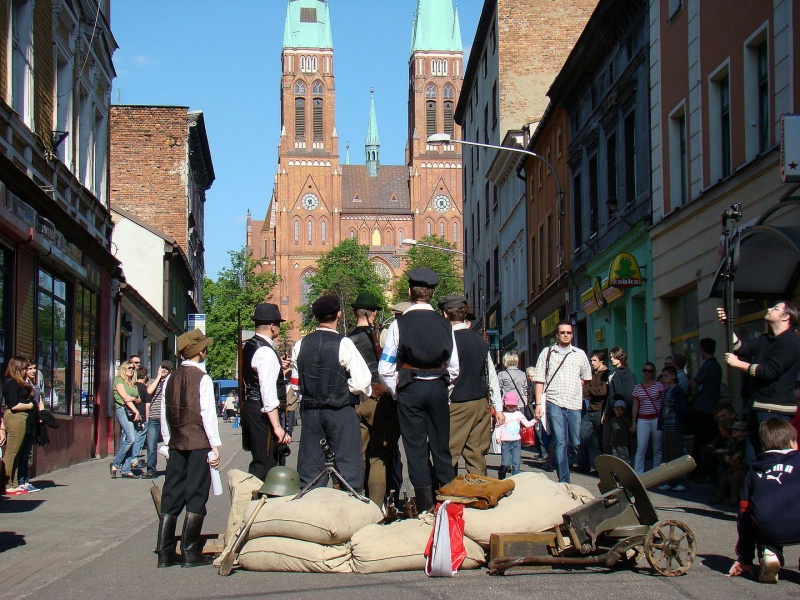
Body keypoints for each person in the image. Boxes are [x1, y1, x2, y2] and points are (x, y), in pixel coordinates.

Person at [379, 267, 460, 512]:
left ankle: (425, 506)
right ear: (432, 294)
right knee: (441, 445)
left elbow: (385, 367)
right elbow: (454, 367)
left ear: (409, 292)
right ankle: (448, 503)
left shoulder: (399, 324)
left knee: (415, 447)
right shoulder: (445, 324)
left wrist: (399, 391)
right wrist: (443, 386)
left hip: (410, 388)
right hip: (437, 387)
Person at [291, 294, 372, 491]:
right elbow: (362, 381)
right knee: (348, 465)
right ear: (338, 314)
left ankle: (312, 508)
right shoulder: (344, 344)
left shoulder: (300, 344)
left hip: (310, 412)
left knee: (311, 467)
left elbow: (295, 385)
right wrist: (345, 390)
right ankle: (349, 506)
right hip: (340, 411)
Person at [155, 329, 221, 568]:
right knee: (196, 493)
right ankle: (190, 552)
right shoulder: (203, 379)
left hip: (176, 442)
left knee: (171, 492)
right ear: (200, 352)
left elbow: (163, 415)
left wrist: (167, 441)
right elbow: (207, 415)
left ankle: (164, 553)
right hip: (198, 443)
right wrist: (215, 446)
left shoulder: (169, 379)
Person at [718, 302, 800, 454]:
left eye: (775, 308)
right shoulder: (767, 339)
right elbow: (740, 347)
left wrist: (738, 364)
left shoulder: (790, 342)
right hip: (758, 406)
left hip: (775, 409)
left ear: (786, 316)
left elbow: (769, 371)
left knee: (772, 453)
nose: (769, 309)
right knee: (754, 455)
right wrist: (727, 324)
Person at [727, 418, 800, 584]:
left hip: (769, 528)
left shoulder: (754, 470)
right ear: (791, 442)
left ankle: (770, 553)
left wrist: (744, 557)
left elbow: (744, 514)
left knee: (758, 515)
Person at [348, 291, 400, 505]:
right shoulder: (383, 338)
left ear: (354, 313)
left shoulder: (347, 340)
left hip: (359, 401)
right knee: (378, 457)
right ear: (375, 313)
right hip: (381, 401)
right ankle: (377, 507)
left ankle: (356, 503)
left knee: (358, 455)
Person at [440, 294, 501, 477]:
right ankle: (479, 496)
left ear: (445, 314)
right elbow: (491, 375)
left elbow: (448, 375)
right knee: (477, 456)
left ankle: (447, 499)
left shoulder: (447, 341)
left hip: (457, 403)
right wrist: (497, 407)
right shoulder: (480, 342)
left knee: (447, 454)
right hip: (480, 403)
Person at [532, 320, 592, 483]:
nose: (566, 335)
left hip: (574, 403)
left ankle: (568, 465)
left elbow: (586, 377)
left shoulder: (579, 354)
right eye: (563, 332)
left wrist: (575, 385)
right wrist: (538, 405)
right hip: (554, 401)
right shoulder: (547, 352)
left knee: (575, 441)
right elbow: (539, 379)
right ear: (557, 335)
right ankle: (564, 478)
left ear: (572, 334)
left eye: (569, 333)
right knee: (560, 440)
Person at [241, 303, 292, 481]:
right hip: (262, 411)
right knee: (266, 465)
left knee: (263, 460)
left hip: (252, 407)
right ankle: (258, 503)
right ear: (272, 326)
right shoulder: (265, 351)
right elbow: (268, 393)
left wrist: (278, 366)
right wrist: (277, 428)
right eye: (278, 324)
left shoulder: (250, 346)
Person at [3, 357, 36, 495]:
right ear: (17, 368)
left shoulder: (19, 383)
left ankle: (15, 482)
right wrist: (30, 405)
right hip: (15, 417)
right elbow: (13, 405)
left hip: (22, 417)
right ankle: (6, 483)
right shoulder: (12, 382)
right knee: (12, 452)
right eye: (24, 368)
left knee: (19, 452)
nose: (26, 371)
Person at [690, 338, 722, 478]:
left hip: (703, 408)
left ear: (703, 350)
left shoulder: (708, 366)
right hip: (712, 407)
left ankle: (700, 471)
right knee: (708, 440)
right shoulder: (717, 366)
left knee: (700, 441)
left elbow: (694, 384)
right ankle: (708, 470)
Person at [657, 365, 689, 491]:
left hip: (675, 427)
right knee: (668, 455)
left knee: (677, 453)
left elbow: (683, 410)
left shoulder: (677, 391)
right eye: (663, 376)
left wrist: (680, 423)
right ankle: (670, 481)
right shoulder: (667, 392)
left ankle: (682, 481)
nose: (664, 378)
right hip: (667, 427)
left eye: (666, 376)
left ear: (674, 377)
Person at [632, 361, 666, 474]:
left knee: (657, 448)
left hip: (657, 419)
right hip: (643, 419)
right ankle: (639, 474)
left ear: (653, 372)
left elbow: (663, 402)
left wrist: (664, 418)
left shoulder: (659, 385)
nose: (647, 373)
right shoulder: (637, 388)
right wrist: (634, 422)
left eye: (650, 371)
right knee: (641, 447)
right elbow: (635, 405)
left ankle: (657, 473)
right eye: (645, 370)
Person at [110, 360, 141, 479]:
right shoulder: (118, 381)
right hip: (122, 410)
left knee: (131, 439)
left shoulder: (132, 384)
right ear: (123, 369)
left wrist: (132, 399)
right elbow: (124, 397)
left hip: (131, 412)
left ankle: (126, 469)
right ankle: (116, 464)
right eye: (129, 368)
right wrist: (136, 411)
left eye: (133, 368)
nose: (132, 370)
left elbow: (139, 399)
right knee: (131, 438)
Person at [601, 347, 636, 454]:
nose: (611, 359)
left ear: (620, 357)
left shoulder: (627, 373)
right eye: (610, 357)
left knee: (622, 445)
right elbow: (609, 395)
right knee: (608, 442)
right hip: (611, 413)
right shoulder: (613, 373)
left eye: (613, 356)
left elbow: (629, 396)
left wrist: (621, 411)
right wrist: (605, 413)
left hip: (621, 415)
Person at [579, 350, 609, 472]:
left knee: (601, 442)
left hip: (601, 411)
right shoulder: (591, 374)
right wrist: (593, 392)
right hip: (590, 410)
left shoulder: (607, 374)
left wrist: (591, 391)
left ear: (601, 361)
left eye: (594, 360)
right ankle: (584, 465)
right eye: (591, 360)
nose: (592, 363)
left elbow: (604, 391)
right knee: (581, 436)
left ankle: (604, 469)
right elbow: (584, 391)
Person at [17, 362, 45, 493]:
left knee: (28, 450)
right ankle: (19, 481)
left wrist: (42, 415)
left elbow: (40, 401)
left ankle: (25, 479)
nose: (33, 371)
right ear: (24, 370)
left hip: (34, 419)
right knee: (21, 451)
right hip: (25, 419)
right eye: (30, 369)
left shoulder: (34, 384)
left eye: (34, 368)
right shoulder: (23, 385)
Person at [494, 391, 536, 478]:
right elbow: (498, 427)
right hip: (505, 442)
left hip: (516, 441)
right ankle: (501, 476)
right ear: (505, 404)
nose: (511, 407)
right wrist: (498, 437)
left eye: (513, 405)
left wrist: (535, 420)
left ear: (516, 405)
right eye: (509, 405)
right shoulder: (503, 415)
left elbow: (527, 424)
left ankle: (515, 480)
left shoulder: (519, 414)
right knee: (505, 463)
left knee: (516, 463)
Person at [142, 360, 172, 479]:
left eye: (167, 369)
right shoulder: (152, 381)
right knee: (151, 444)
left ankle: (171, 469)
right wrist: (159, 376)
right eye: (162, 368)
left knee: (169, 443)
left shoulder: (171, 382)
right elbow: (149, 391)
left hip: (167, 418)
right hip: (154, 417)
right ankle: (151, 470)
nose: (164, 370)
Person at [710, 420, 748, 506]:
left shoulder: (746, 443)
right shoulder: (732, 442)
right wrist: (726, 457)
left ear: (744, 432)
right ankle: (718, 497)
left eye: (738, 430)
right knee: (723, 479)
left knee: (735, 480)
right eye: (733, 429)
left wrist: (739, 455)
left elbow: (746, 453)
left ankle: (734, 499)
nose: (734, 431)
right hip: (732, 467)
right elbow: (728, 452)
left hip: (741, 467)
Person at [526, 366, 549, 462]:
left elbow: (535, 398)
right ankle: (542, 453)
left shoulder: (536, 385)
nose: (530, 378)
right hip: (540, 408)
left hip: (539, 410)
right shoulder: (536, 384)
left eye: (531, 376)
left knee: (540, 432)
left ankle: (544, 454)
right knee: (539, 432)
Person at [130, 366, 151, 471]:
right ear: (145, 376)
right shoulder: (145, 388)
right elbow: (147, 405)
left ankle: (129, 459)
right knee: (139, 439)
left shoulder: (132, 386)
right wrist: (147, 419)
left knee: (131, 438)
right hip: (142, 415)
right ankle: (135, 460)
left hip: (132, 414)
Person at [610, 399, 632, 465]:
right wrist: (611, 440)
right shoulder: (613, 419)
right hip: (615, 443)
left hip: (623, 444)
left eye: (621, 409)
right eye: (617, 409)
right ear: (614, 409)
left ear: (624, 410)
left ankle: (627, 472)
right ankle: (617, 473)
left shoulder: (625, 419)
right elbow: (612, 431)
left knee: (625, 459)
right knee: (615, 459)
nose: (619, 411)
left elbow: (630, 430)